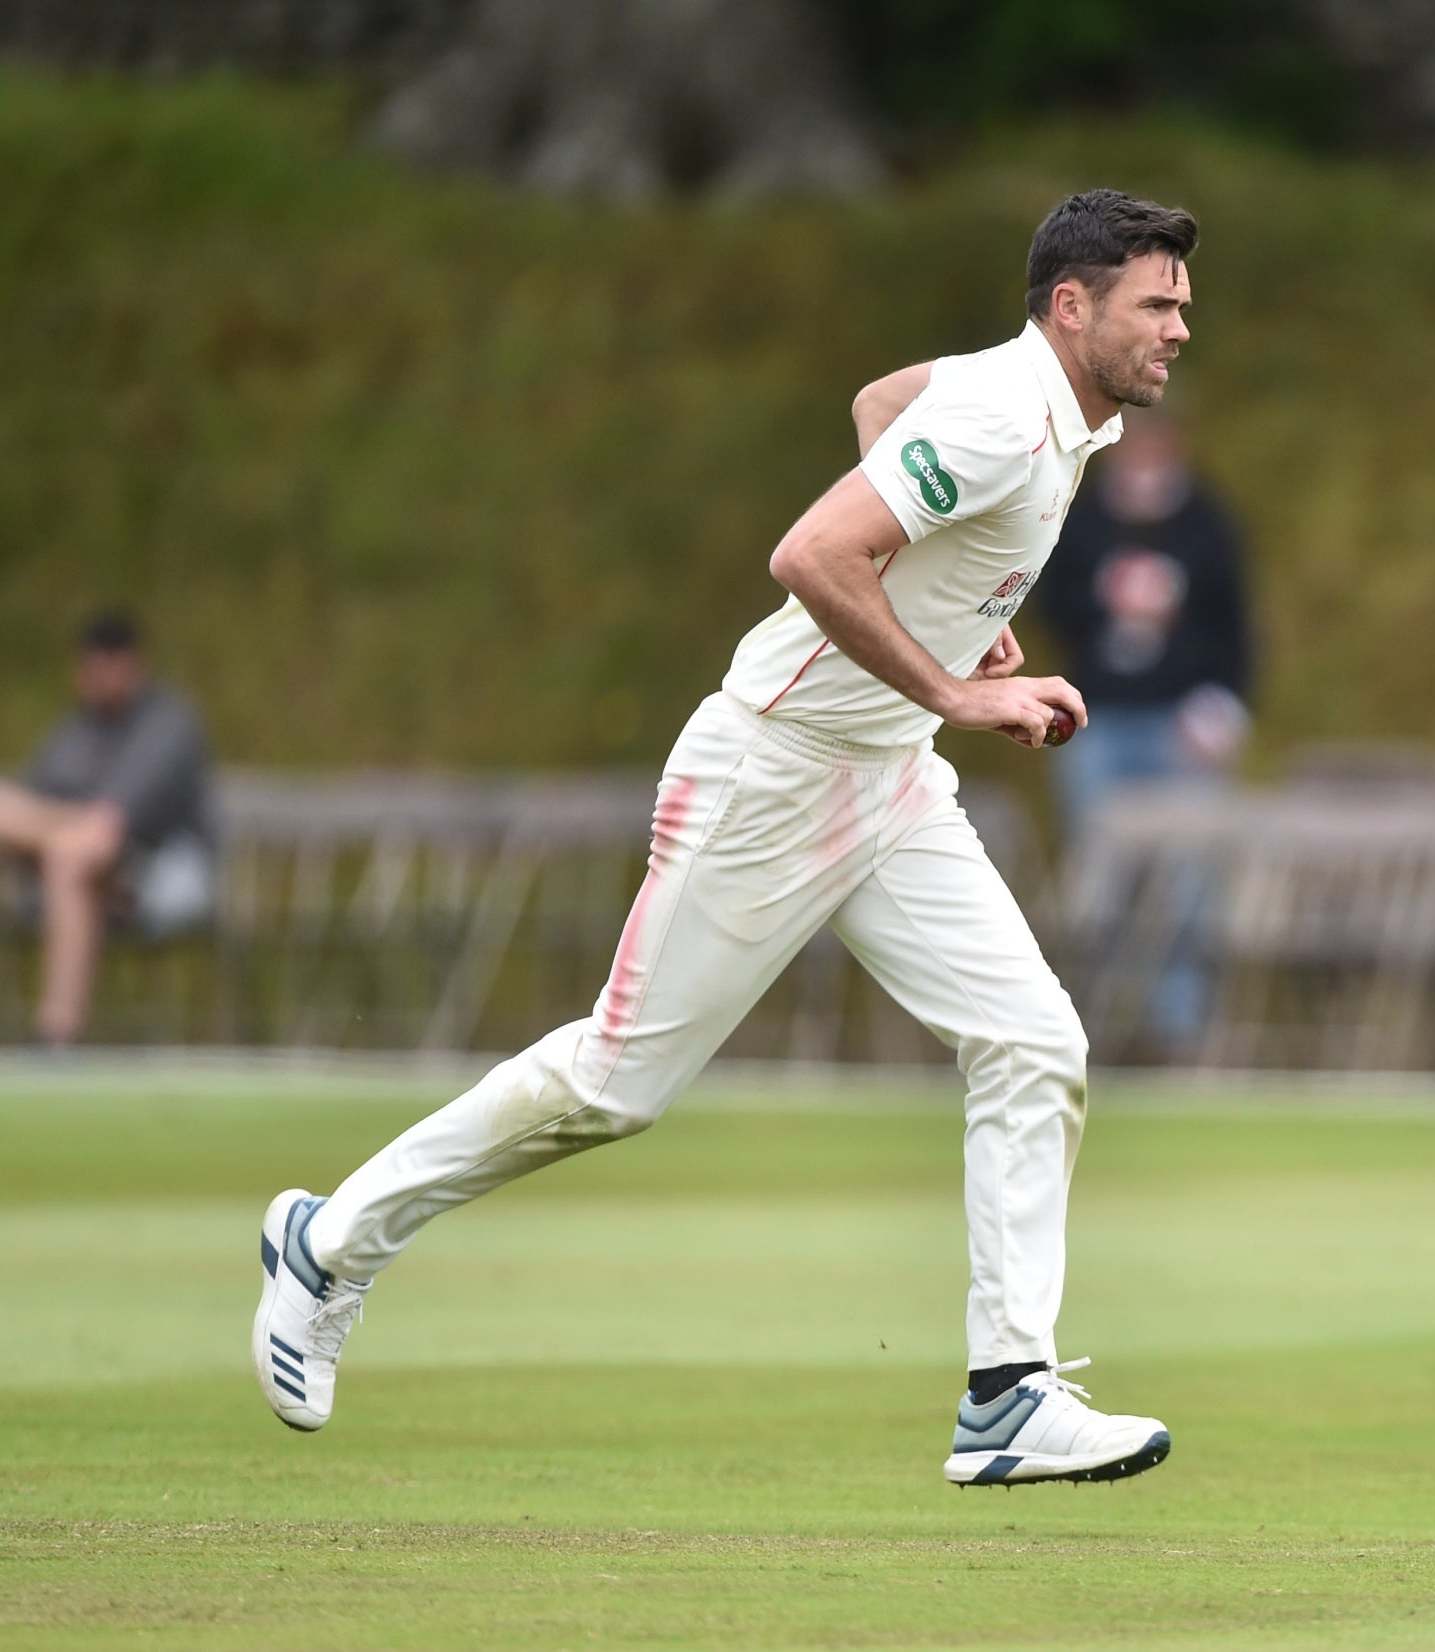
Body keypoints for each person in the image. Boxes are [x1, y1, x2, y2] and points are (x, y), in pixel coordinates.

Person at [251, 190, 1197, 1489]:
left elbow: (876, 406)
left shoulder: (1039, 403)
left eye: (1183, 304)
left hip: (886, 782)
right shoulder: (996, 412)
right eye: (1157, 302)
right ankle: (329, 1238)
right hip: (771, 768)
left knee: (1033, 1043)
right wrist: (957, 686)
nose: (1180, 327)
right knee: (613, 1088)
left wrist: (955, 616)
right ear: (1071, 306)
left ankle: (1007, 1394)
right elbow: (809, 553)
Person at [1036, 410, 1253, 1060]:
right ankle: (1091, 1024)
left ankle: (1178, 1030)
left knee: (1187, 883)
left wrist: (1222, 705)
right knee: (1098, 878)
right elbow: (1050, 605)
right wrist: (1107, 596)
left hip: (1179, 723)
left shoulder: (1207, 522)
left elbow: (1234, 626)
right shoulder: (1083, 517)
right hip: (1097, 721)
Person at [0, 610, 213, 1046]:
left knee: (72, 852)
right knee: (58, 844)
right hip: (81, 863)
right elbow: (37, 799)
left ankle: (57, 1033)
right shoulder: (74, 732)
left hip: (160, 875)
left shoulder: (168, 724)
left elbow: (110, 824)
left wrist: (38, 824)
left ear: (132, 665)